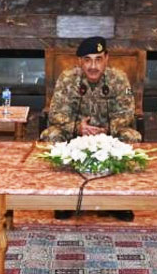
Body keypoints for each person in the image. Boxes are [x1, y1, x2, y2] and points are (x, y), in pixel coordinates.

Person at [40, 36, 140, 221]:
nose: (93, 66)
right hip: (75, 135)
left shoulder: (118, 79)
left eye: (98, 59)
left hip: (109, 136)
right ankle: (63, 200)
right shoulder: (68, 78)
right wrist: (77, 128)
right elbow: (55, 113)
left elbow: (127, 113)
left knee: (132, 137)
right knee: (51, 135)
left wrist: (107, 129)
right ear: (80, 61)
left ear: (106, 59)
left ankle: (120, 202)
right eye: (87, 60)